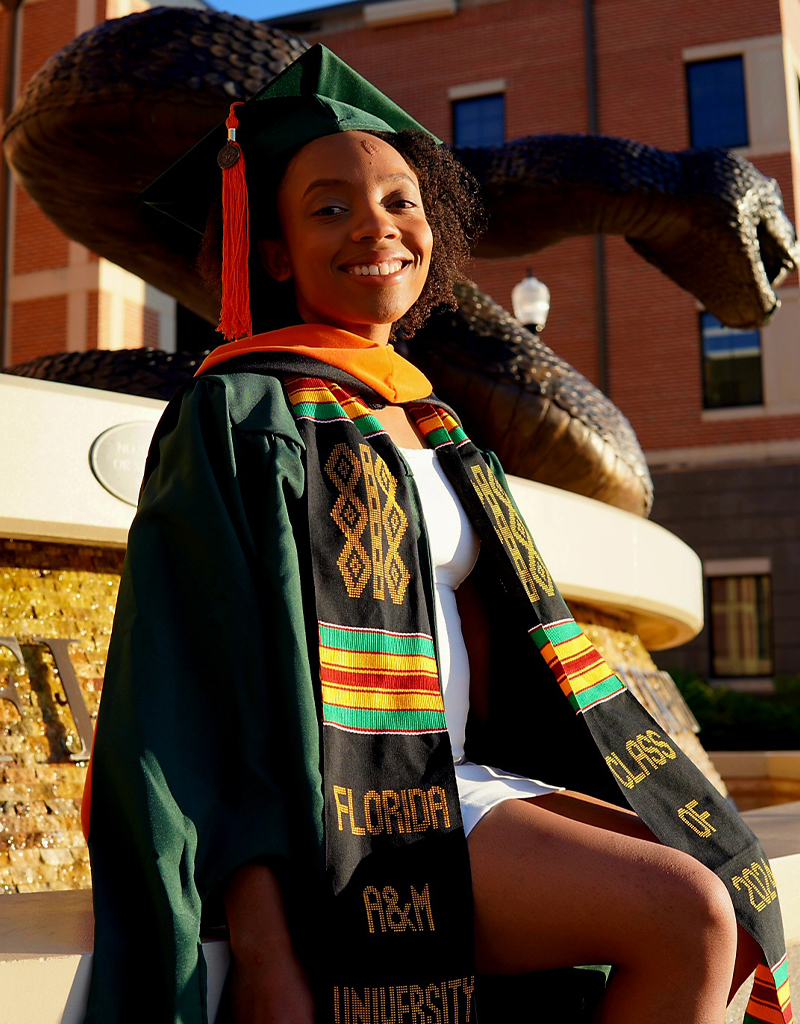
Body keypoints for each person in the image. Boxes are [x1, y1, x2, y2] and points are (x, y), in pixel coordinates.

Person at [83, 45, 790, 1024]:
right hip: (332, 817)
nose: (375, 226)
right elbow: (200, 691)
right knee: (688, 914)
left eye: (400, 202)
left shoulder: (437, 425)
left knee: (724, 883)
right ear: (275, 250)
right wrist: (262, 944)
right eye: (328, 207)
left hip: (447, 781)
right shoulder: (242, 413)